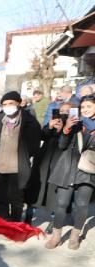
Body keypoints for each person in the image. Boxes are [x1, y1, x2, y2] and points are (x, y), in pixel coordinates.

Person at [45, 95, 95, 250]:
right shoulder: (75, 123)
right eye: (83, 107)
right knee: (61, 203)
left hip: (88, 169)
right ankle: (56, 236)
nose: (86, 110)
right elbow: (62, 145)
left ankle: (74, 236)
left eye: (89, 106)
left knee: (81, 204)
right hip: (68, 166)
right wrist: (66, 129)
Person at [0, 91, 41, 222]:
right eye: (4, 104)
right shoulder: (0, 119)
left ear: (19, 103)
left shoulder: (30, 122)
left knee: (16, 199)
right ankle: (1, 222)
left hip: (18, 167)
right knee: (1, 199)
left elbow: (34, 145)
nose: (7, 106)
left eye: (10, 103)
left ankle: (15, 224)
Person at [32, 102, 75, 233]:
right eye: (61, 110)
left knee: (54, 190)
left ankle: (54, 218)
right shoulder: (53, 121)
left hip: (61, 159)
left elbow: (64, 143)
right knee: (38, 187)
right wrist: (49, 127)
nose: (63, 113)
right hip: (45, 157)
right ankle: (30, 212)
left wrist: (64, 129)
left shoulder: (75, 124)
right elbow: (42, 136)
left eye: (67, 111)